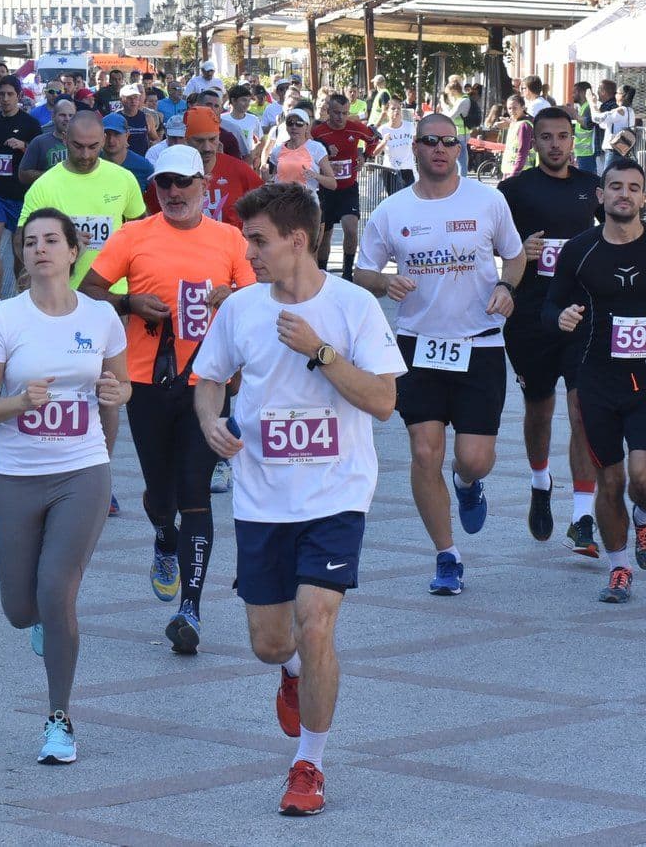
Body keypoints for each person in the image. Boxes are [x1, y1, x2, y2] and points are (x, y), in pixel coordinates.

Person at [193, 183, 406, 817]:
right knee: (270, 642)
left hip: (336, 493)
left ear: (298, 240)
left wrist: (319, 350)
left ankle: (308, 763)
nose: (248, 253)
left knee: (316, 623)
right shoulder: (240, 309)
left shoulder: (354, 308)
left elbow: (384, 402)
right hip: (262, 497)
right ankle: (288, 675)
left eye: (257, 240)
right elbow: (208, 380)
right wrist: (210, 422)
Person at [81, 144, 255, 651]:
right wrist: (127, 301)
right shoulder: (134, 235)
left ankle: (191, 610)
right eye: (164, 185)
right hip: (147, 381)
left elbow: (257, 297)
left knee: (196, 494)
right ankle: (162, 535)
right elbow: (90, 288)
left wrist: (232, 296)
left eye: (184, 183)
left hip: (208, 381)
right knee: (163, 496)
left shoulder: (230, 239)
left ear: (204, 183)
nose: (174, 193)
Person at [0, 209, 129, 763]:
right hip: (17, 475)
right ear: (22, 254)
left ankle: (59, 719)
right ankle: (39, 617)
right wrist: (20, 402)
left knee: (58, 590)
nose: (40, 249)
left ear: (72, 251)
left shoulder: (103, 316)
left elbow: (119, 386)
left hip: (81, 471)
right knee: (21, 608)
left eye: (51, 240)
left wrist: (116, 404)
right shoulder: (5, 318)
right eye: (30, 241)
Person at [355, 114, 525, 595]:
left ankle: (469, 485)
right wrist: (385, 281)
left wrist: (507, 286)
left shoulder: (488, 200)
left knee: (474, 459)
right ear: (415, 150)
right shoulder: (392, 210)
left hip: (480, 344)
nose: (440, 149)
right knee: (425, 451)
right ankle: (446, 555)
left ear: (460, 149)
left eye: (449, 142)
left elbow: (515, 255)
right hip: (417, 346)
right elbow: (361, 273)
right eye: (430, 141)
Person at [546, 157, 646, 604]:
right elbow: (550, 305)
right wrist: (562, 316)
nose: (624, 194)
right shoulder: (580, 249)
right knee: (610, 483)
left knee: (643, 477)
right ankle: (618, 568)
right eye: (615, 187)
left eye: (633, 187)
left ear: (644, 196)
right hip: (595, 382)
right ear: (602, 195)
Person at [497, 109, 603, 556]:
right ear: (533, 142)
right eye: (547, 138)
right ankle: (541, 483)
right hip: (530, 316)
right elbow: (490, 248)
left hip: (580, 314)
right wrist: (519, 251)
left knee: (582, 412)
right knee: (539, 410)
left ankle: (582, 515)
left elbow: (619, 233)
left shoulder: (591, 187)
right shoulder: (512, 191)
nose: (557, 144)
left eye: (563, 136)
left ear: (573, 139)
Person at [18, 112, 147, 289]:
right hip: (60, 294)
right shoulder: (44, 185)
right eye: (77, 146)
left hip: (111, 294)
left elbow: (140, 233)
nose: (85, 155)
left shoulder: (124, 179)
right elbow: (20, 241)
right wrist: (62, 241)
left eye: (93, 147)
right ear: (65, 139)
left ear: (103, 140)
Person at [0, 78, 44, 312]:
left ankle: (21, 297)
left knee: (19, 249)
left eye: (9, 94)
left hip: (20, 195)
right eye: (2, 94)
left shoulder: (30, 123)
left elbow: (38, 155)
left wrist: (23, 145)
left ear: (18, 95)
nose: (5, 99)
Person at [152, 107, 262, 230]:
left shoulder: (239, 170)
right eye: (199, 140)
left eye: (212, 139)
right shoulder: (168, 175)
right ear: (185, 140)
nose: (207, 148)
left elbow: (265, 208)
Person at [310, 95, 380, 278]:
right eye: (336, 113)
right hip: (326, 189)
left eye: (344, 113)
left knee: (350, 228)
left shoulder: (354, 127)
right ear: (328, 111)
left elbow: (373, 138)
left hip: (348, 187)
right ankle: (322, 272)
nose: (340, 117)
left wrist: (365, 156)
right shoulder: (318, 132)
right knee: (325, 234)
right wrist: (324, 151)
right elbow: (307, 152)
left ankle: (348, 273)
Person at [264, 109, 335, 201]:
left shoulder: (316, 148)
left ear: (307, 127)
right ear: (286, 126)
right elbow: (275, 178)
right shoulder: (277, 150)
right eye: (290, 123)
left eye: (299, 123)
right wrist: (268, 180)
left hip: (307, 204)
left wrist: (316, 175)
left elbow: (333, 184)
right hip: (282, 203)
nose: (294, 127)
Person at [18, 99, 76, 186]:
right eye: (62, 115)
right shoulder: (39, 142)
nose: (67, 119)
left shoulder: (85, 142)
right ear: (53, 116)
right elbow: (23, 175)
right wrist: (53, 175)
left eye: (71, 115)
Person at [100, 113, 154, 192]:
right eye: (106, 134)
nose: (111, 140)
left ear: (127, 135)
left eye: (116, 134)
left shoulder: (144, 167)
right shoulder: (91, 163)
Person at [377, 98, 419, 194]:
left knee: (409, 199)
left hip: (408, 170)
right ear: (387, 112)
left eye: (399, 108)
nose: (396, 111)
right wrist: (384, 142)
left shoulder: (410, 126)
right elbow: (375, 153)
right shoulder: (382, 130)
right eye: (393, 108)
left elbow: (416, 145)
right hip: (390, 170)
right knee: (394, 201)